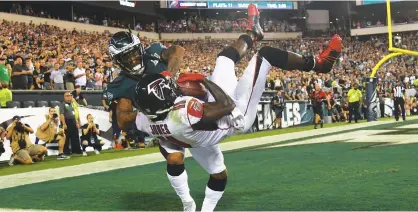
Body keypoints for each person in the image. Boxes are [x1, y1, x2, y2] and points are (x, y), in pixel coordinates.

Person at [133, 5, 342, 211]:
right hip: (234, 116)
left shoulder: (146, 119)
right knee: (266, 55)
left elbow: (148, 122)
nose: (170, 90)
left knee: (224, 58)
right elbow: (226, 105)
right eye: (166, 92)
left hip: (197, 137)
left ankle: (253, 32)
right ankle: (320, 64)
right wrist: (204, 81)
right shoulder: (182, 114)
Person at [103, 29, 185, 147]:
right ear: (117, 61)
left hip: (182, 105)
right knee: (174, 158)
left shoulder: (153, 52)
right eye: (125, 57)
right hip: (163, 124)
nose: (132, 59)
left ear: (140, 49)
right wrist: (144, 110)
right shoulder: (121, 84)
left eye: (134, 53)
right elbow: (122, 121)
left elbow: (178, 50)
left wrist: (168, 77)